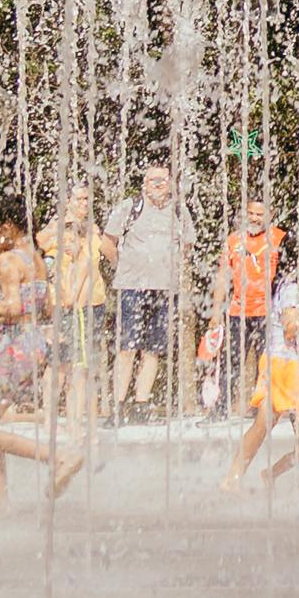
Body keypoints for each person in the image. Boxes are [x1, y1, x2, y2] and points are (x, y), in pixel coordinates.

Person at [0, 198, 85, 502]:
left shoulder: (8, 260)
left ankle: (58, 456)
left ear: (7, 227)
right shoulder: (34, 258)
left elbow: (13, 306)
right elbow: (46, 303)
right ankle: (0, 507)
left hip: (10, 348)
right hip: (30, 344)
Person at [223, 256, 299, 489]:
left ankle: (232, 478)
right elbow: (291, 330)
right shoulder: (291, 289)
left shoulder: (290, 288)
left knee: (262, 425)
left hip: (277, 362)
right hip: (286, 365)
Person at [108, 160, 185, 419]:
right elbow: (107, 243)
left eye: (164, 180)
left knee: (153, 348)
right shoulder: (130, 208)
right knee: (127, 346)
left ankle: (141, 404)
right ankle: (118, 404)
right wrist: (124, 267)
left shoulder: (178, 211)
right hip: (132, 287)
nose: (160, 185)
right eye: (154, 180)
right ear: (144, 184)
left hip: (164, 289)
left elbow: (187, 246)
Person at [40, 188, 112, 414]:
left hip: (94, 302)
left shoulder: (92, 229)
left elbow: (106, 257)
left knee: (85, 363)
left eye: (87, 197)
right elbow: (39, 245)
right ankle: (50, 412)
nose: (84, 202)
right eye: (79, 198)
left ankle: (79, 414)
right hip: (66, 304)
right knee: (59, 362)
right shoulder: (59, 227)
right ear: (67, 201)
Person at [216, 193, 284, 416]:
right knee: (231, 361)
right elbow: (221, 276)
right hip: (238, 311)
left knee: (265, 362)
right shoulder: (233, 240)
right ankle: (220, 408)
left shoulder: (279, 238)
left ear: (270, 215)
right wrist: (216, 311)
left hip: (268, 312)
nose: (254, 218)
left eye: (259, 214)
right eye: (250, 213)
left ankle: (261, 408)